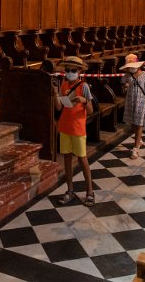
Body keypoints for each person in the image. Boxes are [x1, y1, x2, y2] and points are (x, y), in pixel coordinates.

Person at [52, 56, 95, 207]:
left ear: (80, 71)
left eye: (73, 70)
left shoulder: (84, 87)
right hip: (64, 126)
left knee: (82, 160)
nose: (70, 73)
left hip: (78, 127)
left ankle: (90, 192)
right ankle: (70, 190)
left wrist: (83, 101)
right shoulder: (64, 84)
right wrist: (56, 93)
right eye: (67, 70)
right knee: (67, 160)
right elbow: (59, 108)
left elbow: (90, 110)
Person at [120, 54, 145, 159]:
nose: (131, 68)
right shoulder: (127, 76)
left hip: (141, 102)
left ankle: (135, 149)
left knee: (139, 124)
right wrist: (125, 87)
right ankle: (139, 140)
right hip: (131, 102)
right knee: (134, 124)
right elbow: (123, 91)